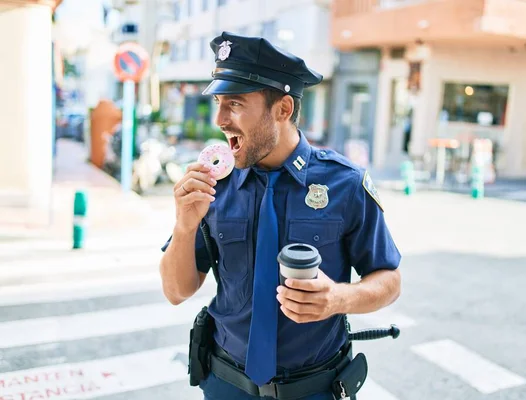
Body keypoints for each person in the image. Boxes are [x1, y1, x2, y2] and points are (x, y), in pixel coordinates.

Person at [159, 32, 402, 400]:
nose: (221, 120)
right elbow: (177, 291)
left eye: (236, 104)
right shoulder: (213, 184)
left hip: (316, 389)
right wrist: (184, 223)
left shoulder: (346, 184)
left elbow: (389, 279)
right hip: (226, 385)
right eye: (219, 103)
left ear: (283, 109)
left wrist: (338, 298)